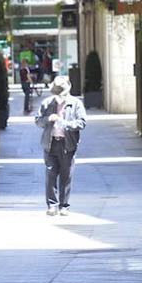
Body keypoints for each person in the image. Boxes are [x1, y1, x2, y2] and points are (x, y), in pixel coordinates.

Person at [34, 75, 86, 216]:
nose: (59, 98)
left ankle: (64, 205)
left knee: (66, 174)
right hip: (50, 144)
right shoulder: (47, 103)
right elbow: (38, 120)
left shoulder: (75, 104)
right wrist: (48, 119)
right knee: (50, 174)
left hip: (67, 144)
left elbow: (82, 122)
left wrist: (67, 124)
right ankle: (52, 205)